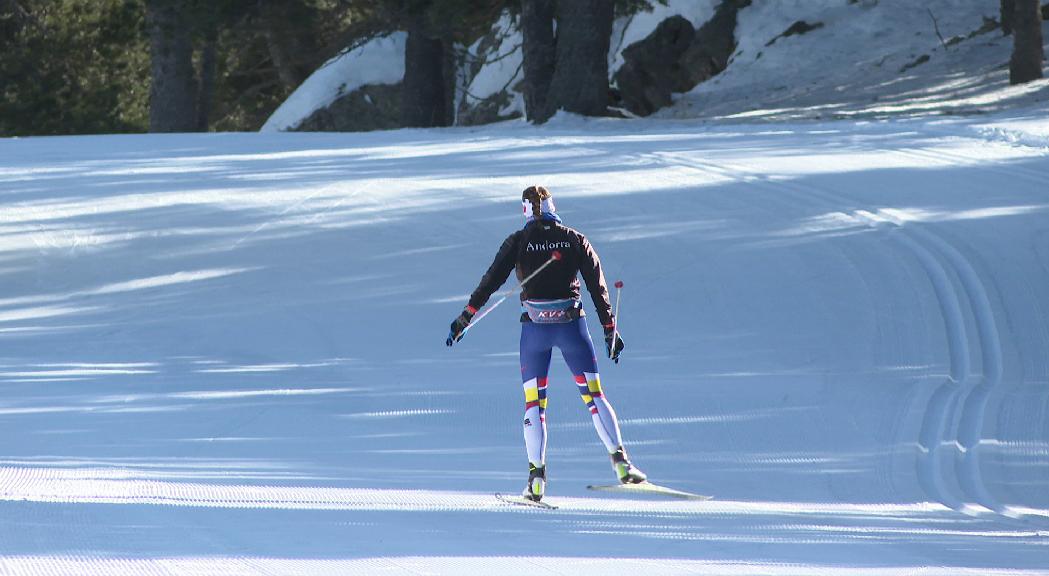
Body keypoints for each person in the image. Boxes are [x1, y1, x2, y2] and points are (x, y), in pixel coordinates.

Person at [446, 185, 646, 502]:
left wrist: (465, 318)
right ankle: (621, 463)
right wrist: (610, 328)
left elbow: (491, 280)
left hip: (535, 331)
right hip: (571, 327)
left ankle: (536, 479)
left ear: (525, 209)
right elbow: (597, 283)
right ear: (553, 205)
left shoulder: (518, 241)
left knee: (534, 404)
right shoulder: (573, 238)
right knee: (594, 396)